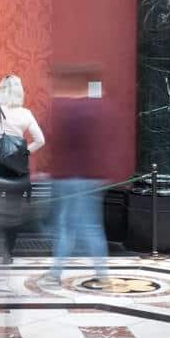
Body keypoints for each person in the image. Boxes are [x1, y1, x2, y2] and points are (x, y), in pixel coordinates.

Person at [41, 65, 109, 284]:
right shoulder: (96, 108)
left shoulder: (65, 108)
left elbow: (56, 143)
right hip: (90, 177)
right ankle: (100, 272)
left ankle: (57, 272)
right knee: (90, 226)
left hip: (70, 178)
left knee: (68, 225)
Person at [0, 74, 45, 264]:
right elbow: (40, 140)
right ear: (19, 91)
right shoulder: (26, 114)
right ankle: (6, 254)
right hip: (15, 167)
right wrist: (23, 153)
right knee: (12, 212)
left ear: (1, 90)